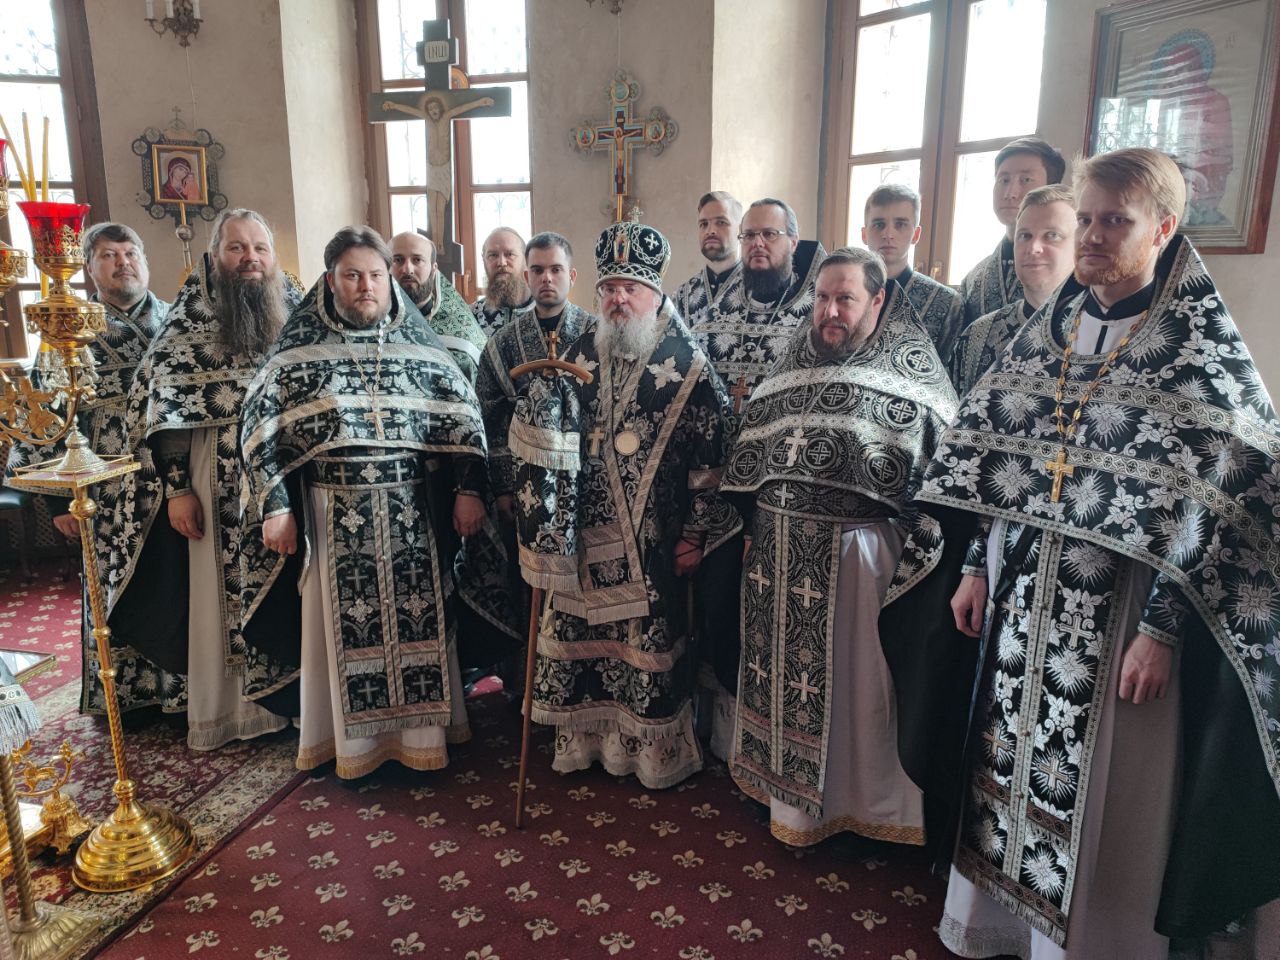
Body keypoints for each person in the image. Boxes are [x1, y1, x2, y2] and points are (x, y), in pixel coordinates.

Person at [920, 148, 1280, 957]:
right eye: (1086, 218)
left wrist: (1162, 630)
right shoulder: (1048, 332)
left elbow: (1222, 512)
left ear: (1163, 228)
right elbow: (995, 460)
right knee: (1006, 761)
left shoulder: (1199, 351)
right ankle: (1005, 927)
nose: (1091, 235)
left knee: (1109, 788)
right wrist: (975, 567)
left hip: (1120, 615)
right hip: (1021, 597)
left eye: (1115, 220)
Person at [241, 226, 512, 779]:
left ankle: (424, 739)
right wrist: (276, 506)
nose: (366, 286)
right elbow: (259, 430)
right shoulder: (295, 353)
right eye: (352, 275)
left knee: (421, 623)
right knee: (339, 632)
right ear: (330, 282)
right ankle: (350, 747)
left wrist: (468, 490)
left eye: (375, 275)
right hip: (331, 512)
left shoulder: (422, 347)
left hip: (414, 512)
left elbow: (464, 422)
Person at [722, 247, 957, 847]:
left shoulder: (913, 371)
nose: (830, 312)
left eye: (845, 299)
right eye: (822, 298)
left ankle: (864, 810)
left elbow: (941, 479)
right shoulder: (792, 361)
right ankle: (789, 804)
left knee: (858, 689)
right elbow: (752, 458)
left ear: (877, 300)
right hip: (777, 559)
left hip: (859, 561)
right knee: (784, 684)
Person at [529, 221, 739, 789]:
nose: (618, 299)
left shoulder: (688, 364)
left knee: (643, 643)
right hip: (580, 534)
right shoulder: (579, 351)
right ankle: (588, 742)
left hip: (653, 541)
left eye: (631, 288)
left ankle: (649, 754)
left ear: (655, 292)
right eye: (609, 288)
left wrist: (694, 535)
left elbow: (713, 456)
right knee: (579, 632)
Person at [104, 208, 301, 748]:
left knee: (288, 586)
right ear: (215, 257)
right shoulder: (186, 320)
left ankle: (293, 702)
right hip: (213, 477)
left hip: (284, 475)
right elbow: (159, 410)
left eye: (259, 247)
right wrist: (177, 489)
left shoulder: (295, 308)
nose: (250, 258)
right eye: (237, 248)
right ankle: (233, 712)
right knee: (220, 594)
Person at [3, 222, 171, 715]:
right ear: (89, 269)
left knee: (173, 582)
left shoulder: (173, 323)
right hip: (103, 489)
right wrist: (57, 500)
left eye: (130, 253)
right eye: (109, 256)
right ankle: (126, 699)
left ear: (144, 260)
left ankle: (181, 694)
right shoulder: (67, 332)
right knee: (114, 588)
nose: (123, 263)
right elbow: (43, 418)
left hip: (171, 481)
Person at [682, 196, 825, 760]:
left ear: (792, 240)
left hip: (781, 491)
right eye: (750, 236)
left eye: (770, 235)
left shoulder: (816, 310)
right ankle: (722, 733)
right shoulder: (711, 307)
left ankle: (771, 737)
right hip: (717, 488)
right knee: (718, 605)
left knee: (773, 616)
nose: (757, 245)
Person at [950, 183, 1078, 396]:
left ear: (1081, 246)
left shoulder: (1104, 337)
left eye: (1052, 235)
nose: (1033, 247)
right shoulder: (976, 337)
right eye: (1025, 236)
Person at [958, 137, 1065, 328]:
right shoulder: (974, 279)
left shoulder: (1071, 270)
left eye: (1026, 180)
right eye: (1004, 180)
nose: (1010, 193)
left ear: (1052, 188)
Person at [862, 183, 964, 366]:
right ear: (864, 234)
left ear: (916, 234)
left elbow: (950, 374)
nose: (888, 234)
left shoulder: (946, 302)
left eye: (900, 224)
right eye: (879, 224)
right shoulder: (845, 294)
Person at [390, 231, 486, 382]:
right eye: (398, 260)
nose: (407, 269)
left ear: (433, 268)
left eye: (417, 260)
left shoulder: (460, 331)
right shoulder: (373, 323)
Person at [673, 191, 743, 330]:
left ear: (740, 230)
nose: (710, 231)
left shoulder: (759, 289)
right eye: (704, 224)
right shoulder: (682, 296)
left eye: (721, 222)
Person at [472, 227, 533, 336]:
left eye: (510, 254)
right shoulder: (471, 316)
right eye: (493, 255)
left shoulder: (548, 312)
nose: (501, 262)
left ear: (526, 260)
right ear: (484, 261)